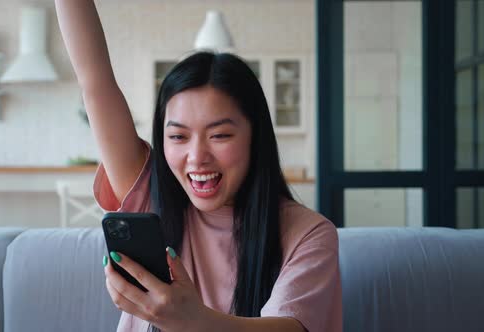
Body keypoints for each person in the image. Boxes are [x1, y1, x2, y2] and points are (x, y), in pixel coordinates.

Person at [55, 1, 342, 331]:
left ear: (255, 137)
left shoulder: (308, 235)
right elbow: (95, 82)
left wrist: (190, 320)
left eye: (219, 135)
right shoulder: (151, 194)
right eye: (178, 136)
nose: (196, 156)